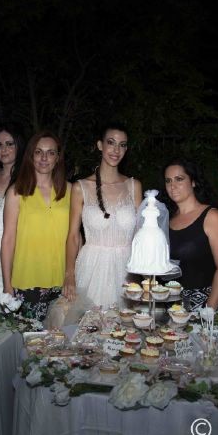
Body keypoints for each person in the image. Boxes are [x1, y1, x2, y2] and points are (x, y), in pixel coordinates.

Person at [63, 125, 142, 309]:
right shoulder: (80, 187)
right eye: (111, 142)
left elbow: (140, 235)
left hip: (126, 270)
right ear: (100, 145)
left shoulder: (134, 186)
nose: (116, 150)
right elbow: (73, 236)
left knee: (126, 323)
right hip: (91, 269)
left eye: (122, 145)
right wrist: (69, 274)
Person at [1, 131, 71, 320]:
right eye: (38, 152)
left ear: (58, 157)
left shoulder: (70, 190)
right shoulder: (16, 192)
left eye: (50, 152)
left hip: (61, 282)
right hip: (27, 281)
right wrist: (7, 285)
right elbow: (8, 240)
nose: (44, 158)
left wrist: (73, 274)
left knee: (61, 337)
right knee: (29, 337)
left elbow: (75, 237)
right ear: (31, 156)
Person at [164, 158, 218, 311]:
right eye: (168, 181)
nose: (172, 186)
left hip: (206, 305)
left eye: (179, 179)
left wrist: (208, 311)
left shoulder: (211, 217)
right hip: (173, 307)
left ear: (193, 182)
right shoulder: (167, 219)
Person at [0, 125, 24, 295]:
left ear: (19, 145)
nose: (4, 149)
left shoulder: (29, 178)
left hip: (20, 248)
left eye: (9, 144)